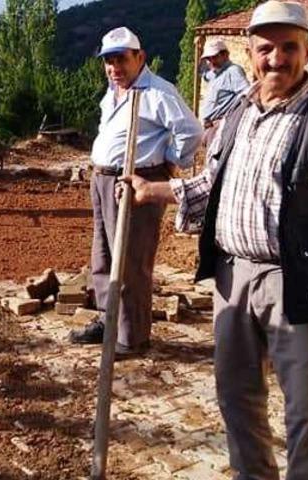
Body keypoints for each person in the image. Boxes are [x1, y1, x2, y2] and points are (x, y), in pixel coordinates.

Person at [118, 2, 308, 478]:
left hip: (298, 282)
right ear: (250, 53)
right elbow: (212, 184)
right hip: (232, 276)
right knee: (237, 398)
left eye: (289, 48)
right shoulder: (238, 115)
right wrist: (153, 190)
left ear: (307, 51)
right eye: (266, 49)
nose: (277, 59)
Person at [67, 26, 202, 360]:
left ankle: (132, 337)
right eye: (109, 62)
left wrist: (170, 163)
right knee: (103, 257)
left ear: (139, 57)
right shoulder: (114, 91)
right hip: (102, 180)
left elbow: (191, 131)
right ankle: (107, 319)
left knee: (131, 262)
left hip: (134, 182)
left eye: (121, 60)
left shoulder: (156, 92)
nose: (114, 68)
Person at [199, 38, 249, 148]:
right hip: (210, 128)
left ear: (225, 55)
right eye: (209, 58)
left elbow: (247, 95)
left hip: (220, 128)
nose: (211, 61)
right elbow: (203, 74)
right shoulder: (215, 73)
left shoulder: (233, 71)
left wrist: (229, 120)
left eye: (215, 57)